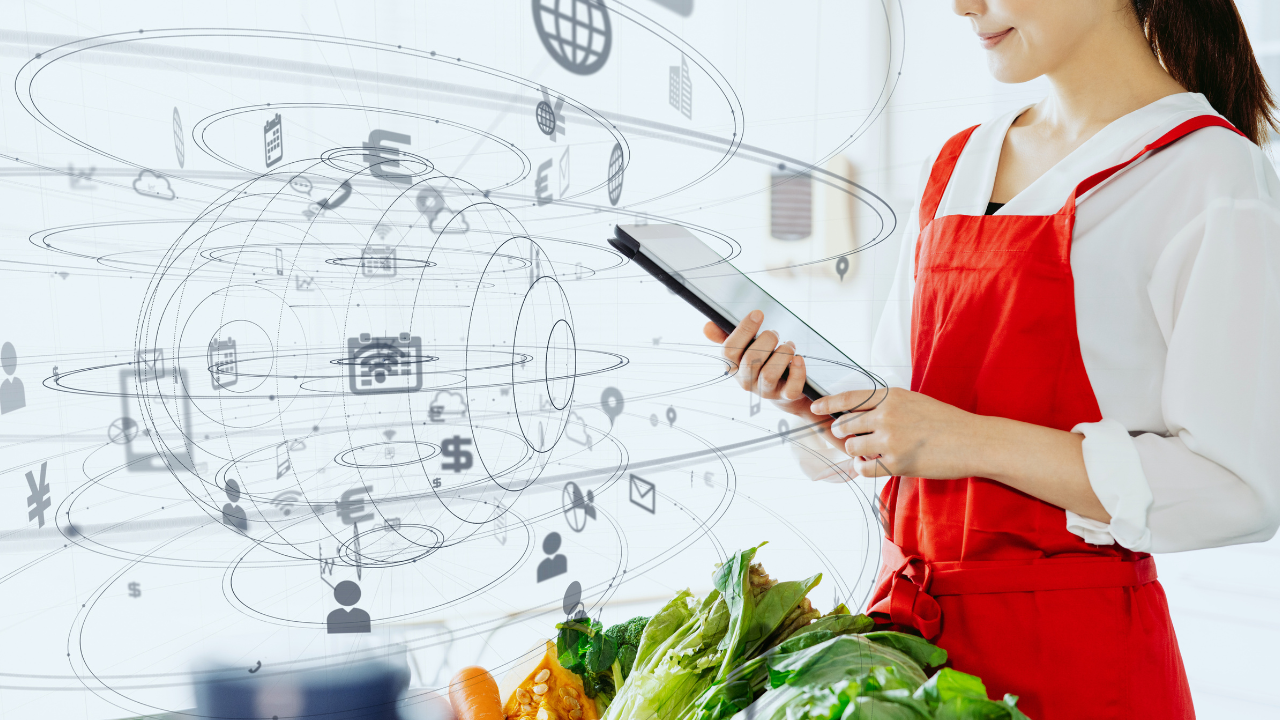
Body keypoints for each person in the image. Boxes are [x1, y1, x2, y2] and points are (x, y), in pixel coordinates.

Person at [704, 1, 1280, 718]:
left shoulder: (1210, 176)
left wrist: (967, 440)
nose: (963, 5)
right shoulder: (957, 163)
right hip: (910, 658)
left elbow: (1239, 490)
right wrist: (814, 403)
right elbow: (903, 421)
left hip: (1076, 667)